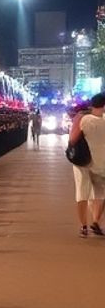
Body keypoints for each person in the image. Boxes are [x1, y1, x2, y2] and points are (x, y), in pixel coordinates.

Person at [68, 94, 105, 238]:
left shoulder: (82, 118)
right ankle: (96, 222)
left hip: (82, 161)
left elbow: (72, 139)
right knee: (101, 193)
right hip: (101, 162)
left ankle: (83, 226)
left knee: (82, 193)